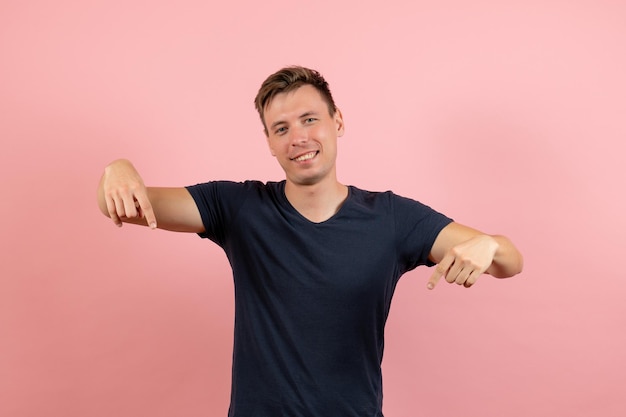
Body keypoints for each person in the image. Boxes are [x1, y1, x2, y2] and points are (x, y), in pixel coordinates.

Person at [97, 66, 523, 417]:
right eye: (280, 128)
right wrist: (116, 169)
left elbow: (509, 261)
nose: (297, 137)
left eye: (309, 119)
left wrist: (491, 243)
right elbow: (122, 204)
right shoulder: (239, 207)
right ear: (269, 142)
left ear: (338, 121)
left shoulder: (392, 218)